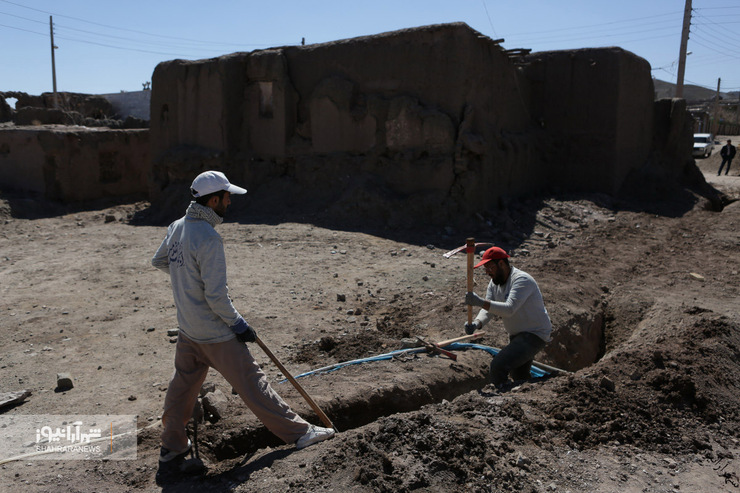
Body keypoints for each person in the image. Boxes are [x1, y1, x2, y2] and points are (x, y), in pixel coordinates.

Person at [152, 170, 334, 477]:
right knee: (253, 382)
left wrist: (186, 281)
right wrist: (238, 325)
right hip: (214, 333)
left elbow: (159, 261)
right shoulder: (208, 238)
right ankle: (300, 434)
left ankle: (172, 446)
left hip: (188, 329)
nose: (229, 203)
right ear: (213, 200)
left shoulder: (176, 226)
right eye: (226, 197)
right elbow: (216, 297)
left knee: (182, 388)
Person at [464, 246, 552, 386]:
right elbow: (489, 309)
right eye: (485, 268)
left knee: (498, 366)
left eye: (490, 267)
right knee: (520, 376)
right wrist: (477, 323)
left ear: (501, 264)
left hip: (534, 334)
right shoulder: (494, 283)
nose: (487, 272)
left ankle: (501, 399)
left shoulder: (522, 280)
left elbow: (510, 309)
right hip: (518, 336)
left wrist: (480, 302)